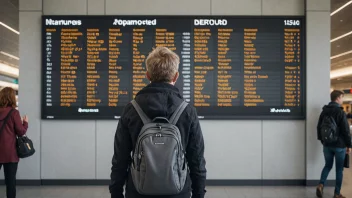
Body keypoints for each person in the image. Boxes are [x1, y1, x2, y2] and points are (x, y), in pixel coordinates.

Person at [109, 47, 207, 198]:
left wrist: (116, 193)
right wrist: (199, 194)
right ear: (176, 76)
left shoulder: (131, 109)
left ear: (148, 75)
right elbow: (197, 159)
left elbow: (120, 158)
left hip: (138, 191)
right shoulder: (187, 111)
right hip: (178, 191)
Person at [316, 90, 352, 198]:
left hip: (327, 145)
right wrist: (349, 145)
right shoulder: (340, 112)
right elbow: (346, 130)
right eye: (341, 97)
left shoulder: (324, 111)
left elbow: (318, 127)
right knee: (339, 169)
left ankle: (321, 184)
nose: (342, 100)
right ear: (337, 98)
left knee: (327, 165)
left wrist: (322, 141)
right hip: (339, 145)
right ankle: (337, 193)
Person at [0, 87, 28, 198]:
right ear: (12, 98)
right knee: (10, 183)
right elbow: (21, 132)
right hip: (10, 153)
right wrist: (25, 123)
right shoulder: (14, 113)